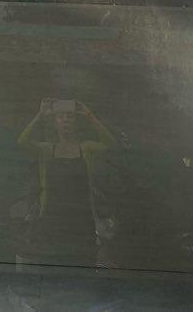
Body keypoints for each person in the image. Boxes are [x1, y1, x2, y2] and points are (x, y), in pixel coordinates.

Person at [15, 98, 117, 267]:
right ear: (55, 122)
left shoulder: (86, 148)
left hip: (81, 220)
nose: (65, 120)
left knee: (82, 264)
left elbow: (111, 145)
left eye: (70, 116)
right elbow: (22, 142)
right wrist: (40, 115)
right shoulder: (46, 149)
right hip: (52, 219)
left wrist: (90, 116)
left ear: (76, 122)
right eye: (60, 116)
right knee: (50, 264)